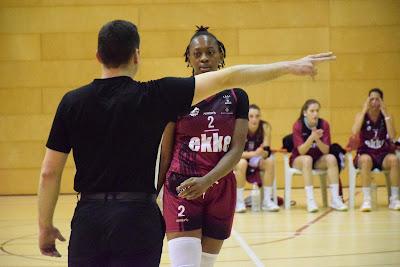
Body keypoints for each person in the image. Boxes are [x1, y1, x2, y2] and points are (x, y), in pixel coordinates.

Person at [37, 19, 335, 266]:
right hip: (137, 216)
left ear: (98, 56)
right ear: (137, 55)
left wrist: (45, 226)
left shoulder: (71, 102)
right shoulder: (157, 95)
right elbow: (231, 76)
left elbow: (49, 172)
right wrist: (290, 66)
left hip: (89, 216)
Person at [157, 25, 248, 267]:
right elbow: (165, 151)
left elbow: (236, 149)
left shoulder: (237, 96)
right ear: (189, 58)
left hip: (220, 187)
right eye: (197, 54)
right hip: (182, 187)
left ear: (221, 54)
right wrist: (154, 192)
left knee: (206, 265)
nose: (204, 58)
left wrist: (207, 180)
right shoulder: (176, 95)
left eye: (210, 52)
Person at [289, 99, 347, 212]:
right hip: (299, 159)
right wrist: (311, 138)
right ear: (305, 113)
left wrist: (317, 139)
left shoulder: (324, 124)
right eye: (312, 111)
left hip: (318, 159)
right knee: (307, 159)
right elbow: (301, 151)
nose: (315, 114)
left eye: (317, 111)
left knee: (331, 158)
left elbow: (326, 151)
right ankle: (311, 201)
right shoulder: (298, 125)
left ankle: (335, 199)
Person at [352, 88, 400, 211]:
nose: (374, 102)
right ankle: (367, 200)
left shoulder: (387, 116)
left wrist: (385, 113)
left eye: (377, 99)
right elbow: (355, 132)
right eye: (371, 99)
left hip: (382, 154)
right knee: (366, 160)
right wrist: (363, 111)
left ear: (381, 101)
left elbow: (393, 136)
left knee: (394, 160)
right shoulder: (361, 115)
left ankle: (394, 199)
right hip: (365, 153)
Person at [235, 104, 280, 213]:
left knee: (270, 161)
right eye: (251, 116)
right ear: (246, 117)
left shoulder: (265, 127)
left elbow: (267, 151)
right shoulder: (239, 127)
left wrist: (263, 153)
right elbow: (235, 153)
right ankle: (239, 202)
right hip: (242, 159)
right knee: (242, 163)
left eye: (257, 116)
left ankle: (267, 201)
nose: (254, 119)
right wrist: (254, 153)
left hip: (256, 160)